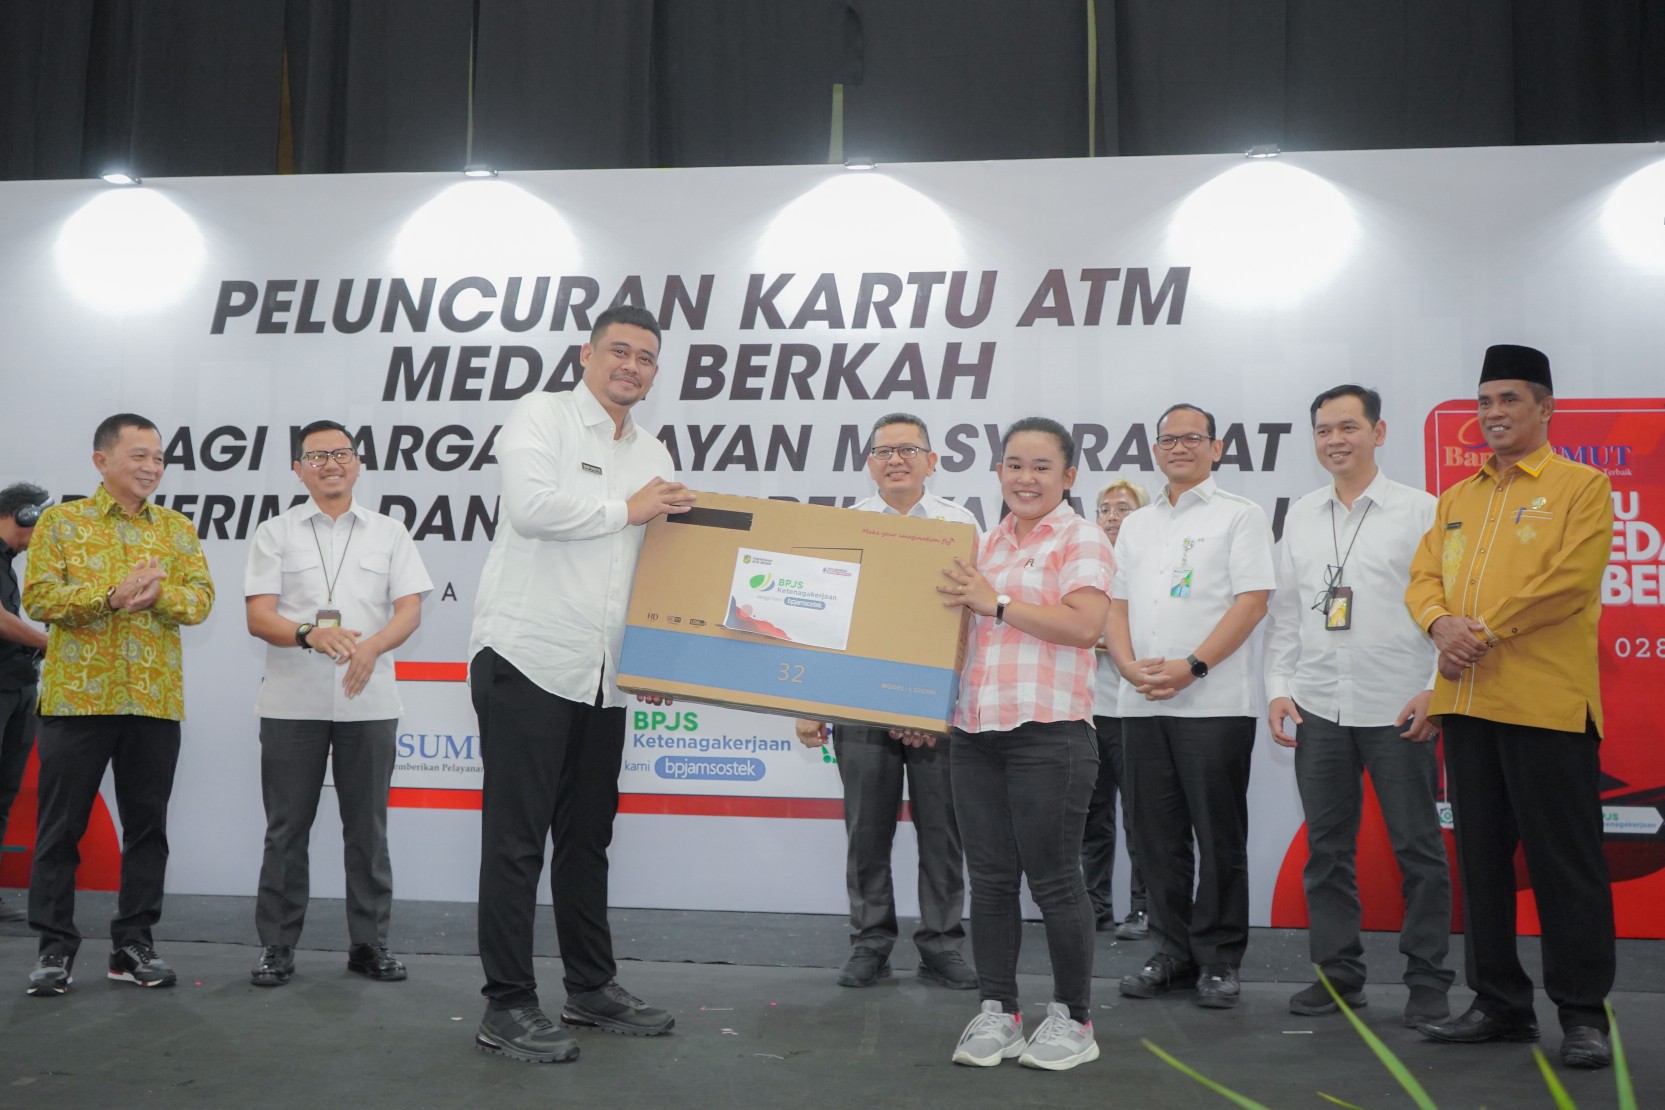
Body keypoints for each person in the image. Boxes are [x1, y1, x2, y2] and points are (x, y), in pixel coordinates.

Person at [468, 304, 696, 1063]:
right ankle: (506, 1005)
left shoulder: (653, 449)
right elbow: (532, 510)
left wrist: (655, 655)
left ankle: (590, 988)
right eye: (619, 352)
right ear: (587, 354)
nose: (631, 366)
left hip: (603, 676)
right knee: (514, 841)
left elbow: (649, 568)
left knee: (587, 839)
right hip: (530, 654)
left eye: (645, 358)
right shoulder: (543, 415)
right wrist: (624, 508)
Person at [1405, 344, 1617, 1070]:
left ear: (1544, 408)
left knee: (1565, 865)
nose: (1492, 414)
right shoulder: (1456, 498)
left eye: (1509, 401)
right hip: (1465, 703)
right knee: (1482, 865)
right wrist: (1438, 623)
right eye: (1485, 401)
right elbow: (1422, 575)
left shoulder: (1581, 486)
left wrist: (1480, 630)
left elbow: (1569, 582)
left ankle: (1583, 1013)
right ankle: (1498, 1002)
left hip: (1546, 706)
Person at [1264, 385, 1453, 1027]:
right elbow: (1286, 611)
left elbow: (1447, 608)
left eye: (1348, 426)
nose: (1335, 440)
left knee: (1419, 852)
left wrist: (1438, 687)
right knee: (1328, 851)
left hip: (1400, 705)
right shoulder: (1303, 515)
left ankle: (1428, 980)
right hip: (1320, 706)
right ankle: (1339, 975)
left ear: (1379, 431)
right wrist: (1278, 687)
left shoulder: (1421, 510)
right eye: (1323, 430)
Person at [939, 417, 1114, 1073]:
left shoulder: (1081, 537)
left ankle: (1072, 1019)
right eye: (1014, 465)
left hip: (1050, 735)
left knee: (1054, 882)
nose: (1025, 478)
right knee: (987, 883)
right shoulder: (982, 544)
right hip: (974, 732)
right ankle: (998, 1011)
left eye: (1041, 466)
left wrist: (999, 603)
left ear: (1068, 476)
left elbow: (1084, 625)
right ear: (998, 473)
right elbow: (955, 634)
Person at [21, 414, 214, 996]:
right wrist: (109, 596)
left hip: (152, 699)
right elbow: (39, 598)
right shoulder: (61, 522)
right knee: (60, 831)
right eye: (139, 455)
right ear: (102, 461)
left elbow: (201, 599)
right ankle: (54, 951)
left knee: (147, 830)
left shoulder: (176, 529)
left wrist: (160, 594)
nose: (152, 467)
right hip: (78, 699)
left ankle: (134, 945)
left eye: (158, 457)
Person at [242, 420, 432, 987]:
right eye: (317, 456)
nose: (331, 464)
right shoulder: (274, 533)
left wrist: (371, 647)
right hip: (291, 701)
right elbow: (259, 616)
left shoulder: (389, 531)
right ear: (298, 469)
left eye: (341, 453)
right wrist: (307, 634)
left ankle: (370, 944)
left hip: (367, 699)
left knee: (367, 830)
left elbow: (409, 609)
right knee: (285, 830)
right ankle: (277, 946)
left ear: (358, 463)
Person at [793, 413, 977, 991]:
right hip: (858, 701)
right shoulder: (847, 525)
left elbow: (973, 619)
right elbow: (822, 618)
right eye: (883, 451)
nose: (895, 459)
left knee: (942, 833)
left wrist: (946, 700)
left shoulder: (961, 523)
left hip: (935, 706)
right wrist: (809, 701)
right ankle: (870, 941)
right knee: (866, 829)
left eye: (908, 449)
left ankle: (942, 944)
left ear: (932, 461)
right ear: (869, 463)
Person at [1107, 402, 1275, 1010]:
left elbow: (1252, 603)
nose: (1179, 447)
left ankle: (1220, 958)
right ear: (1155, 451)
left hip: (1214, 701)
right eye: (1168, 439)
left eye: (1192, 438)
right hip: (1141, 701)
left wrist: (1193, 666)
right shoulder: (1136, 524)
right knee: (1156, 839)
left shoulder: (1241, 516)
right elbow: (1116, 605)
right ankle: (1171, 951)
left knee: (1218, 836)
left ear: (1216, 446)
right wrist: (1127, 666)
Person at [1085, 478, 1150, 940]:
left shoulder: (1150, 566)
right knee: (1092, 816)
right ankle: (1094, 907)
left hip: (1136, 708)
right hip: (1087, 709)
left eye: (1123, 508)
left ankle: (1145, 909)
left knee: (1143, 817)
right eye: (1105, 509)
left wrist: (1109, 641)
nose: (1111, 516)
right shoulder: (1083, 566)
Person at [0, 483, 52, 923]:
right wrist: (49, 642)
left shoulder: (8, 563)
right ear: (22, 515)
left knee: (4, 793)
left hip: (17, 687)